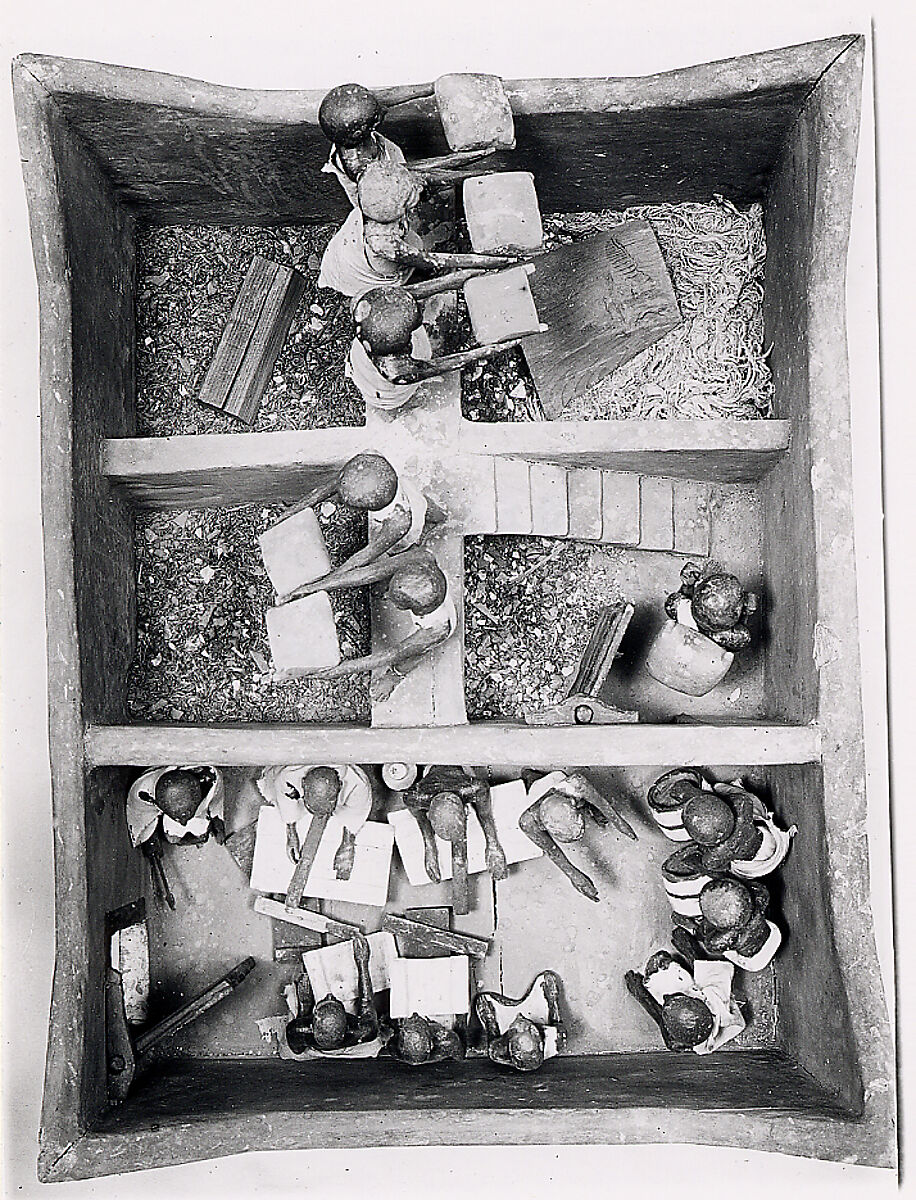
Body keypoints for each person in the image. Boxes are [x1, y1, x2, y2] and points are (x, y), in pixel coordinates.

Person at [318, 160, 517, 299]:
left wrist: (481, 175)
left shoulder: (381, 187)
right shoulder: (382, 241)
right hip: (364, 278)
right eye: (411, 197)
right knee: (419, 279)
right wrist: (493, 262)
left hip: (351, 250)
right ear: (397, 209)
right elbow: (433, 261)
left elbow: (431, 173)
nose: (420, 188)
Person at [275, 450, 445, 604]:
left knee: (390, 560)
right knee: (422, 507)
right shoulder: (366, 466)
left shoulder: (398, 523)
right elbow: (323, 490)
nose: (342, 502)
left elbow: (361, 563)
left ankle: (431, 526)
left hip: (404, 522)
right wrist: (285, 517)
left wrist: (318, 585)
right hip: (401, 498)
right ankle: (435, 517)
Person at [307, 549, 458, 702]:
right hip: (426, 590)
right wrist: (318, 587)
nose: (386, 597)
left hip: (433, 626)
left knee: (412, 655)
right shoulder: (421, 558)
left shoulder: (436, 630)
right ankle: (389, 585)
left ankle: (394, 677)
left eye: (394, 601)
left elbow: (391, 654)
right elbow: (370, 572)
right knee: (383, 572)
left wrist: (339, 670)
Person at [346, 285, 525, 411]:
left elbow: (414, 292)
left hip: (367, 366)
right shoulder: (397, 369)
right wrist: (492, 349)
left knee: (420, 337)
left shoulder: (370, 326)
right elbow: (449, 363)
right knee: (424, 352)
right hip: (388, 396)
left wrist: (462, 277)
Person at [318, 81, 498, 207]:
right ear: (360, 132)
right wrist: (475, 169)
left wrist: (436, 87)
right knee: (405, 200)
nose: (383, 112)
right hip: (380, 193)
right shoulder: (360, 166)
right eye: (377, 117)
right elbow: (417, 171)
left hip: (388, 160)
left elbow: (389, 97)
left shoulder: (356, 118)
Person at [518, 769, 637, 902]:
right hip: (537, 792)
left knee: (592, 801)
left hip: (556, 781)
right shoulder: (528, 823)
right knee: (532, 780)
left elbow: (603, 804)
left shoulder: (577, 784)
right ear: (543, 826)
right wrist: (574, 876)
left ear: (573, 804)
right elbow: (551, 850)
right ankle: (530, 776)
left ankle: (590, 807)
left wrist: (620, 824)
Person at [624, 940, 745, 1055]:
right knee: (702, 975)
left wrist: (641, 995)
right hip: (696, 1007)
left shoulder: (708, 1007)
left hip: (693, 1019)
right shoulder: (713, 996)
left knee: (672, 1038)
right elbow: (709, 972)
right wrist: (690, 948)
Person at [475, 970, 565, 1072]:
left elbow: (493, 1048)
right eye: (530, 1029)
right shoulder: (554, 1039)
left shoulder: (492, 1010)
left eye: (517, 1030)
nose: (522, 1025)